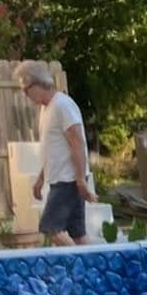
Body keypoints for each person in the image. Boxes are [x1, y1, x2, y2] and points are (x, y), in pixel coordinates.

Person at [16, 61, 95, 245]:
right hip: (60, 179)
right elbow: (53, 149)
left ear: (39, 83)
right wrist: (41, 178)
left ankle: (76, 266)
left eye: (26, 89)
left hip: (68, 180)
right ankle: (95, 270)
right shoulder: (46, 109)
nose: (25, 94)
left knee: (50, 228)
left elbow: (77, 142)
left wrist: (80, 180)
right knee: (78, 234)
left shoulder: (62, 105)